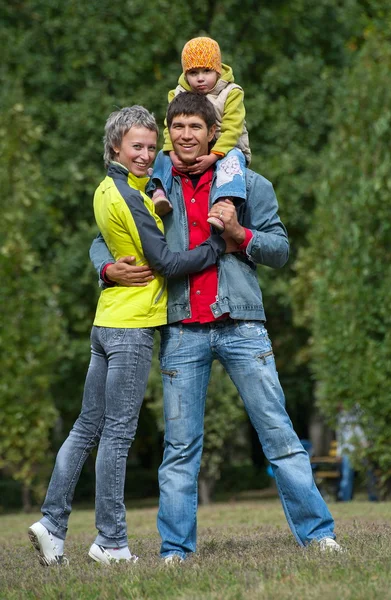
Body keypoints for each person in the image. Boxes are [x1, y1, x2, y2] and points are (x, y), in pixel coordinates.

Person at [90, 92, 343, 562]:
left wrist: (239, 235)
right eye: (178, 127)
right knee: (180, 447)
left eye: (195, 127)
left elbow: (280, 249)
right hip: (182, 328)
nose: (186, 135)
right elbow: (105, 234)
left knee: (280, 436)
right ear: (170, 132)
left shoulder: (247, 184)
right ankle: (176, 551)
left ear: (212, 133)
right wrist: (106, 270)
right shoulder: (150, 187)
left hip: (243, 326)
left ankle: (318, 535)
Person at [28, 104, 230, 567]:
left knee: (85, 428)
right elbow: (167, 263)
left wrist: (106, 266)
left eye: (150, 147)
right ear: (115, 146)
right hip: (132, 328)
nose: (145, 155)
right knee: (117, 436)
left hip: (106, 322)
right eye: (136, 147)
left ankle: (52, 525)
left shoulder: (106, 188)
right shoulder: (131, 198)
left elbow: (112, 241)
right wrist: (216, 246)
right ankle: (111, 541)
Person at [152, 36, 250, 231]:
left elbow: (233, 128)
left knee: (231, 161)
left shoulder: (231, 92)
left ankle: (225, 203)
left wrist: (213, 157)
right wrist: (172, 152)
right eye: (193, 72)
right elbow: (167, 126)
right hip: (193, 147)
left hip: (227, 145)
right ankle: (159, 192)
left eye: (207, 71)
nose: (200, 78)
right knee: (163, 154)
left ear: (218, 70)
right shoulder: (177, 93)